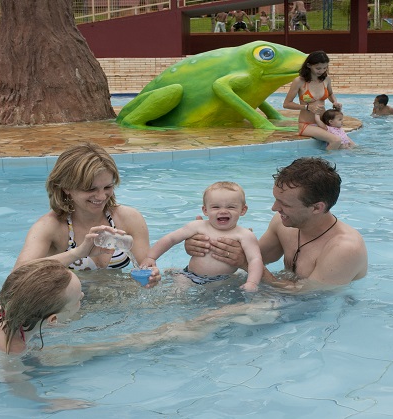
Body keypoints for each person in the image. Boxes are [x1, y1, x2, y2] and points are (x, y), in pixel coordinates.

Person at [185, 158, 368, 291]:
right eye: (276, 199)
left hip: (315, 308)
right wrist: (203, 244)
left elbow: (309, 296)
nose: (274, 208)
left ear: (316, 207)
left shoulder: (344, 248)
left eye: (285, 204)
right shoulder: (282, 223)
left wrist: (246, 264)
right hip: (282, 292)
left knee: (208, 320)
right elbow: (249, 257)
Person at [14, 142, 160, 286]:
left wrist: (152, 276)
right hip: (73, 300)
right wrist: (78, 253)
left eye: (107, 187)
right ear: (66, 187)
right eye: (91, 189)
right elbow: (17, 278)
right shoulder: (51, 226)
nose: (101, 196)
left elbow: (145, 270)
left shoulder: (128, 218)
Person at [141, 182, 262, 292]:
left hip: (223, 281)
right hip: (189, 276)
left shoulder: (245, 235)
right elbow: (171, 239)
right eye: (216, 207)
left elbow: (254, 259)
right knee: (176, 294)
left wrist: (252, 282)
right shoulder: (197, 226)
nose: (223, 211)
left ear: (243, 210)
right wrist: (151, 257)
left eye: (231, 207)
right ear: (205, 210)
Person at [283, 51, 345, 150]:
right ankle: (326, 159)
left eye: (325, 68)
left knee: (349, 145)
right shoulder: (299, 81)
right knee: (336, 140)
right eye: (318, 68)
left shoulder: (326, 79)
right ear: (309, 65)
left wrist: (334, 102)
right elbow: (286, 104)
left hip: (323, 123)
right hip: (307, 124)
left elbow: (330, 94)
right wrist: (307, 107)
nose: (322, 71)